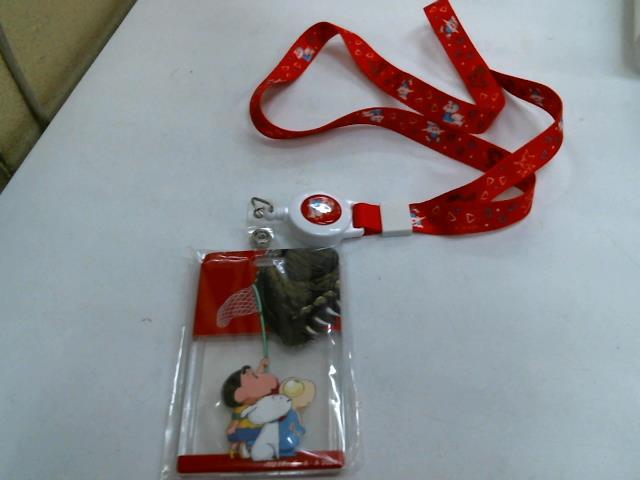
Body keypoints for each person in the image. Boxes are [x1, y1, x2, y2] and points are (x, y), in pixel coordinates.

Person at [221, 358, 278, 458]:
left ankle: (252, 448)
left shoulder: (259, 405)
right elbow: (236, 419)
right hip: (245, 429)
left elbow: (257, 378)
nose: (259, 396)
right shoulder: (241, 409)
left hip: (257, 429)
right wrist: (233, 427)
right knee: (243, 439)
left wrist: (262, 366)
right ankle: (238, 448)